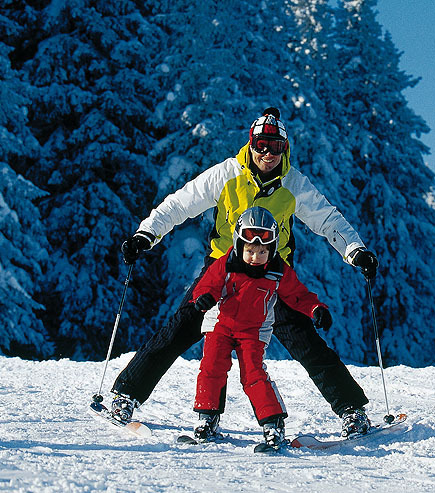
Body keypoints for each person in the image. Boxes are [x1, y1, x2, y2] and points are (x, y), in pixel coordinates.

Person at [112, 107, 379, 438]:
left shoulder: (293, 183)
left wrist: (355, 251)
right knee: (179, 329)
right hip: (222, 271)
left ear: (285, 148)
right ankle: (126, 396)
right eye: (261, 145)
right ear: (250, 144)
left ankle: (352, 411)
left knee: (305, 341)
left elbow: (327, 220)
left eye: (275, 146)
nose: (268, 153)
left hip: (273, 274)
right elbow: (180, 204)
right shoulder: (226, 174)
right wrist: (146, 234)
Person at [190, 207, 332, 450]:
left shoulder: (278, 272)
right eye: (250, 251)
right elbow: (207, 285)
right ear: (239, 246)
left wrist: (316, 308)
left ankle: (273, 425)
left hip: (253, 331)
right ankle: (207, 419)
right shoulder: (226, 264)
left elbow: (298, 295)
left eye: (262, 251)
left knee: (253, 374)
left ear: (272, 249)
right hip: (221, 324)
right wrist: (204, 298)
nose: (255, 257)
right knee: (212, 366)